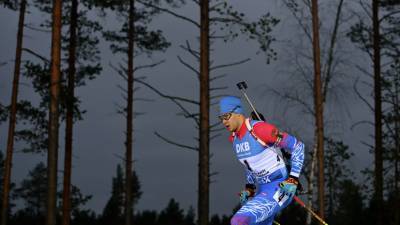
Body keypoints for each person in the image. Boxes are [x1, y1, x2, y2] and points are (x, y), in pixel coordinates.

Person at [219, 96, 305, 225]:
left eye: (226, 116)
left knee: (239, 221)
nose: (224, 122)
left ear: (238, 113)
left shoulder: (260, 129)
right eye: (221, 118)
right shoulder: (234, 139)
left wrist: (293, 179)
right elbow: (250, 165)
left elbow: (298, 146)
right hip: (262, 189)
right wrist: (250, 188)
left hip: (280, 187)